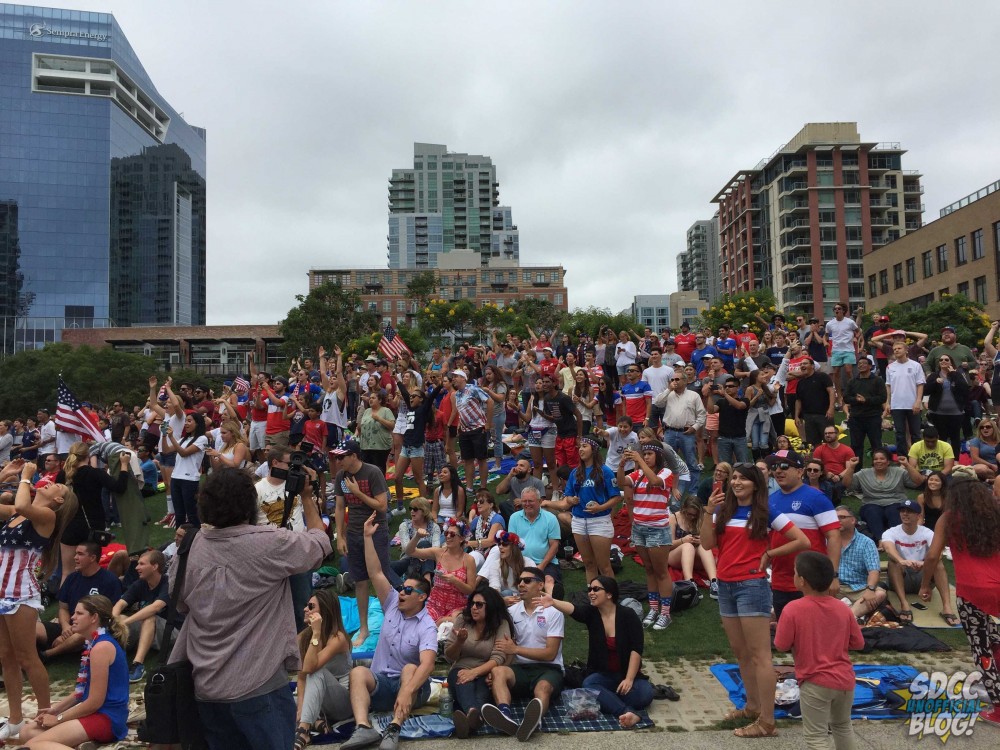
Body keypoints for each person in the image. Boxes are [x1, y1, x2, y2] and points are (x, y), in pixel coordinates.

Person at [168, 467, 331, 750]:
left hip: (206, 685)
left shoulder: (190, 548)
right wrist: (306, 497)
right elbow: (320, 543)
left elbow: (179, 602)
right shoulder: (268, 542)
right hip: (258, 684)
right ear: (248, 504)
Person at [700, 464, 808, 738]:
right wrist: (708, 511)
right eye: (733, 478)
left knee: (761, 656)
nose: (736, 482)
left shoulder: (765, 511)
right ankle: (752, 706)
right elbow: (706, 544)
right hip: (725, 585)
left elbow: (801, 540)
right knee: (741, 653)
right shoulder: (723, 511)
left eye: (742, 479)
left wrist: (770, 553)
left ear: (756, 484)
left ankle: (767, 722)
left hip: (751, 586)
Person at [340, 513, 437, 750]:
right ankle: (364, 728)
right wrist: (367, 537)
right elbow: (376, 573)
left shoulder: (427, 625)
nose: (401, 592)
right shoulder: (392, 602)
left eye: (408, 591)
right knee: (358, 673)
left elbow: (428, 665)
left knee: (410, 668)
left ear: (422, 598)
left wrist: (408, 691)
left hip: (413, 689)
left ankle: (394, 729)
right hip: (383, 685)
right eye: (402, 588)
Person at [0, 459, 77, 742]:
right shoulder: (18, 513)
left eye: (58, 485)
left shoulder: (47, 517)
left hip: (20, 593)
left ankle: (46, 715)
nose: (52, 481)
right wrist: (4, 476)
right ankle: (16, 719)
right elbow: (16, 507)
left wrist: (26, 477)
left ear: (57, 499)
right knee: (6, 658)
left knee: (26, 656)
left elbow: (21, 505)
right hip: (2, 591)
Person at [918, 479, 1000, 727]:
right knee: (995, 640)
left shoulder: (949, 518)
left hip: (972, 590)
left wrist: (924, 585)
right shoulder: (995, 514)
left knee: (981, 647)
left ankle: (998, 706)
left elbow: (933, 555)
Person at [774, 552, 864, 750]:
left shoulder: (792, 609)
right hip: (845, 681)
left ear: (802, 581)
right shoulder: (842, 608)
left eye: (795, 573)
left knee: (816, 737)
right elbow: (858, 643)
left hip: (815, 682)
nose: (794, 576)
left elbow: (781, 644)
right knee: (842, 726)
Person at [535, 576, 652, 728]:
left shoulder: (628, 615)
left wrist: (629, 679)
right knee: (589, 683)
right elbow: (573, 609)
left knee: (644, 696)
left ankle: (609, 699)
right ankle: (626, 712)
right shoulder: (592, 614)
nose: (590, 592)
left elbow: (636, 650)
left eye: (596, 589)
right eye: (589, 589)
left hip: (627, 673)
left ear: (609, 594)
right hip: (604, 675)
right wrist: (553, 602)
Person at [17, 595, 130, 748]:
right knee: (27, 732)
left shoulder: (101, 647)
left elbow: (94, 703)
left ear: (94, 618)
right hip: (96, 713)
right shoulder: (94, 643)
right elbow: (82, 690)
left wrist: (58, 719)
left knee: (32, 746)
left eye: (79, 613)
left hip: (106, 718)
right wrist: (56, 710)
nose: (72, 617)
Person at [480, 567, 564, 742]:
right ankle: (505, 716)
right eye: (519, 581)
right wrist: (497, 670)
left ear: (540, 585)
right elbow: (506, 646)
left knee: (542, 688)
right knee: (498, 672)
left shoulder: (554, 613)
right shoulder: (511, 612)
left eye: (527, 581)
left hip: (549, 668)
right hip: (520, 668)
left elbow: (550, 653)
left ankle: (535, 721)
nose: (521, 584)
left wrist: (516, 650)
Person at [332, 438, 399, 649]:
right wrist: (340, 536)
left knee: (381, 578)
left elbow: (382, 506)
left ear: (354, 456)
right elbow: (340, 507)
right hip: (353, 533)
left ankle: (392, 625)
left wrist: (358, 492)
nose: (338, 460)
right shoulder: (341, 476)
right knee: (359, 580)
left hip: (376, 532)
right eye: (337, 457)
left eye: (342, 457)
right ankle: (363, 628)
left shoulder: (372, 473)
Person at [766, 451, 841, 620]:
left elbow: (834, 537)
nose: (778, 470)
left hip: (812, 580)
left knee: (814, 634)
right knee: (787, 633)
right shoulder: (770, 500)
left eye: (785, 466)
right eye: (774, 466)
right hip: (781, 580)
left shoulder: (817, 498)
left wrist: (833, 575)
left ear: (800, 471)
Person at [443, 587, 515, 738]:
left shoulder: (500, 624)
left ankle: (470, 724)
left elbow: (498, 658)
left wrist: (474, 672)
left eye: (479, 604)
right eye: (472, 604)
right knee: (463, 681)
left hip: (486, 671)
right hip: (460, 668)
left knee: (480, 692)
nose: (474, 608)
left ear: (491, 606)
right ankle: (474, 715)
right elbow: (449, 656)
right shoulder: (463, 620)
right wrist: (459, 642)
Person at [617, 443, 674, 630]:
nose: (646, 457)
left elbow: (656, 482)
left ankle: (665, 613)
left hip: (657, 528)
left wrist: (640, 460)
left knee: (661, 571)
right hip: (639, 528)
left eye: (649, 454)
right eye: (644, 454)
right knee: (649, 570)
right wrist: (621, 464)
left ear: (658, 455)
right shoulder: (638, 475)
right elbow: (621, 482)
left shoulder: (666, 472)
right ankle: (653, 608)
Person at [256, 447, 314, 631]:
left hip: (298, 552)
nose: (293, 468)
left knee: (303, 603)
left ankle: (306, 641)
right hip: (270, 556)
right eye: (290, 463)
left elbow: (310, 513)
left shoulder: (298, 485)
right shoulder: (257, 490)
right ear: (275, 463)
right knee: (273, 605)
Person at [37, 541, 122, 660]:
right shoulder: (72, 578)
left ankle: (47, 654)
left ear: (92, 558)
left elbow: (108, 615)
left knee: (81, 636)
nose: (75, 557)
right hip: (69, 626)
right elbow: (63, 608)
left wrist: (74, 630)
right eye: (76, 553)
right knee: (34, 629)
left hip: (90, 629)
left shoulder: (109, 581)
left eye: (80, 554)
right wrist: (66, 627)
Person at [60, 442, 130, 585]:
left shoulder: (63, 475)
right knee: (90, 570)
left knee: (67, 572)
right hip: (93, 526)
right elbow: (119, 487)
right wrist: (124, 465)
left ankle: (64, 606)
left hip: (69, 525)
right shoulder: (95, 473)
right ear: (88, 455)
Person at [882, 499, 957, 626]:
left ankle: (947, 607)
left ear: (918, 516)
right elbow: (889, 549)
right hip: (902, 576)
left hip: (923, 576)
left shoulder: (927, 532)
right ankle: (904, 604)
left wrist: (925, 564)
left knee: (938, 564)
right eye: (902, 511)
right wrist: (902, 561)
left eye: (909, 512)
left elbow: (937, 552)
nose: (905, 514)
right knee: (893, 563)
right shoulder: (891, 532)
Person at [294, 589, 352, 750]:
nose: (306, 609)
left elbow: (310, 668)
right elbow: (301, 677)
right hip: (319, 701)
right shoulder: (304, 637)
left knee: (316, 672)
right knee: (282, 700)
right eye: (307, 605)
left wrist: (317, 632)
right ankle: (316, 721)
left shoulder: (338, 638)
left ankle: (304, 730)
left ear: (324, 611)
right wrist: (300, 709)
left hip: (342, 703)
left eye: (311, 606)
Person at [563, 436, 621, 582]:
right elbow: (567, 496)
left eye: (584, 446)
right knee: (588, 564)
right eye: (579, 447)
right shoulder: (575, 473)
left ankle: (611, 597)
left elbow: (616, 497)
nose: (580, 450)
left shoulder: (605, 471)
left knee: (604, 566)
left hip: (599, 521)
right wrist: (571, 499)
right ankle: (593, 596)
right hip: (578, 521)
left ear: (593, 449)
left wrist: (600, 507)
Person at [111, 548, 170, 682]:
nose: (137, 567)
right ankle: (113, 661)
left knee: (149, 617)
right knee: (119, 618)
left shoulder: (168, 583)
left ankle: (137, 664)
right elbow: (120, 604)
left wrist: (125, 622)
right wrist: (114, 620)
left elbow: (155, 607)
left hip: (172, 632)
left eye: (142, 564)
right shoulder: (140, 584)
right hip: (148, 631)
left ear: (155, 566)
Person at [840, 449, 923, 543]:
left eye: (882, 459)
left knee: (894, 511)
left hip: (895, 502)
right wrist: (851, 467)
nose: (878, 461)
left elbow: (919, 481)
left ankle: (898, 539)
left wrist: (907, 465)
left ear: (888, 462)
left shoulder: (898, 471)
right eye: (875, 459)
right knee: (872, 512)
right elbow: (846, 484)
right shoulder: (864, 473)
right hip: (871, 503)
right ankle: (881, 540)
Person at [402, 518, 477, 623]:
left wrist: (455, 581)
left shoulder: (469, 560)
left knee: (450, 626)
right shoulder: (438, 553)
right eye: (446, 533)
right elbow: (410, 551)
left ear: (461, 538)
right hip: (435, 604)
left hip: (457, 607)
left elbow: (470, 590)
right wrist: (417, 536)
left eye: (452, 534)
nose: (448, 537)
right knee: (422, 626)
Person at [653, 372, 707, 495]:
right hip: (670, 432)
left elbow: (702, 414)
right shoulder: (669, 394)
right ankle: (667, 489)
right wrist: (668, 389)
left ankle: (693, 492)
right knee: (666, 462)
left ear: (685, 381)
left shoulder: (694, 395)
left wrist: (695, 427)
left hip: (687, 433)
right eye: (672, 379)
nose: (674, 381)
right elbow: (657, 403)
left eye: (677, 379)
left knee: (692, 463)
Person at [835, 506, 887, 621]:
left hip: (858, 588)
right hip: (835, 586)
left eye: (842, 517)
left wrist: (870, 589)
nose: (837, 520)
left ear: (853, 520)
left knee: (880, 594)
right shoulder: (828, 540)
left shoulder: (866, 542)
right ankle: (854, 615)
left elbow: (873, 571)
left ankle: (847, 617)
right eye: (835, 517)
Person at [507, 488, 561, 595]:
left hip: (545, 563)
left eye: (531, 501)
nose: (527, 504)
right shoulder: (514, 518)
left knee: (549, 582)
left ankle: (550, 606)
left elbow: (554, 546)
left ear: (540, 501)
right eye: (524, 501)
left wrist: (541, 566)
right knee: (519, 586)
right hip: (520, 562)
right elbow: (512, 544)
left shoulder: (551, 518)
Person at [163, 410, 209, 527]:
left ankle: (197, 537)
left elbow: (183, 453)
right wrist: (164, 435)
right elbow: (166, 450)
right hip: (176, 478)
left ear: (197, 423)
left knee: (192, 513)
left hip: (189, 480)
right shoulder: (183, 440)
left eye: (189, 421)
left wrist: (171, 437)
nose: (186, 424)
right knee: (179, 514)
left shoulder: (202, 439)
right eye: (185, 421)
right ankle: (180, 540)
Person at [452, 369, 494, 492]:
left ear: (463, 378)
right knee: (467, 459)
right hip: (464, 431)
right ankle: (469, 487)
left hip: (478, 428)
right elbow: (462, 411)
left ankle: (483, 487)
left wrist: (488, 423)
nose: (453, 379)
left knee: (481, 458)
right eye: (453, 377)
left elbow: (490, 401)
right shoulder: (457, 394)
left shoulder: (473, 389)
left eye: (456, 376)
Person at [668, 496, 719, 597]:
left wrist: (702, 540)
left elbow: (712, 541)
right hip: (674, 555)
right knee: (688, 546)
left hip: (694, 556)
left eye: (694, 515)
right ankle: (690, 583)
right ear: (683, 509)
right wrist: (683, 540)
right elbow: (668, 545)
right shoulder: (673, 518)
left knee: (703, 547)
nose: (692, 517)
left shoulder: (701, 519)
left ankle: (714, 582)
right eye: (689, 514)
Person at [925, 353, 970, 459]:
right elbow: (925, 391)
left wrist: (954, 374)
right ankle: (942, 459)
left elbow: (965, 390)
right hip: (938, 413)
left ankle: (956, 460)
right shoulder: (934, 375)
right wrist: (934, 383)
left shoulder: (958, 374)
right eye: (941, 360)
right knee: (941, 437)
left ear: (951, 362)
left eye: (946, 359)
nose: (943, 361)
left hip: (956, 413)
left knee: (955, 437)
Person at [842, 356, 886, 465]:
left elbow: (882, 398)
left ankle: (878, 467)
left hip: (873, 417)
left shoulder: (877, 381)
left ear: (870, 366)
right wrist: (856, 400)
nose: (861, 365)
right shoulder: (852, 381)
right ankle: (856, 471)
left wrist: (866, 400)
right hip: (856, 418)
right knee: (856, 446)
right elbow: (846, 398)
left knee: (876, 445)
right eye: (859, 364)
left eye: (864, 363)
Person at [884, 341, 925, 456]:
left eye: (899, 348)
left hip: (913, 404)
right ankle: (902, 457)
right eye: (894, 348)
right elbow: (888, 386)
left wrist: (918, 401)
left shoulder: (915, 365)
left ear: (906, 350)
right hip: (897, 405)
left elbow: (920, 384)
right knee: (900, 433)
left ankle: (917, 457)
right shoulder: (890, 367)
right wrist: (888, 402)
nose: (896, 350)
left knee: (916, 433)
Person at [478, 531, 536, 601]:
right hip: (504, 599)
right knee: (504, 593)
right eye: (499, 544)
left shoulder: (528, 563)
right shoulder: (495, 565)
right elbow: (494, 590)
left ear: (514, 548)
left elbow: (533, 588)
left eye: (505, 544)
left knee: (507, 592)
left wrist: (519, 600)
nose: (500, 547)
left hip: (525, 598)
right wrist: (503, 601)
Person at [392, 498, 441, 580]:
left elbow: (436, 549)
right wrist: (420, 554)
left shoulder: (434, 527)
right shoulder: (404, 526)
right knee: (385, 566)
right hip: (408, 559)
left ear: (424, 511)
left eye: (415, 509)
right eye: (410, 509)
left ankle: (427, 580)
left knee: (424, 544)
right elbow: (405, 549)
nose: (412, 511)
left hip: (428, 559)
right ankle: (427, 581)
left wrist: (423, 553)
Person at [705, 376, 749, 464]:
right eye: (726, 386)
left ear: (738, 388)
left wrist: (725, 394)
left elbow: (739, 406)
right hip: (723, 438)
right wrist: (710, 396)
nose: (727, 388)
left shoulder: (744, 400)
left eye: (731, 386)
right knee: (725, 465)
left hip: (739, 438)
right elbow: (711, 411)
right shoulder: (721, 402)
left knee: (743, 464)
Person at [793, 358, 835, 447]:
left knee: (830, 440)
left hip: (824, 415)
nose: (802, 366)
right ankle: (817, 460)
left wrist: (831, 408)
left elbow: (831, 391)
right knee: (814, 443)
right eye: (801, 364)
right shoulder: (800, 382)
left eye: (805, 363)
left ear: (812, 366)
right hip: (808, 416)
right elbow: (798, 400)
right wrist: (796, 416)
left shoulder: (822, 376)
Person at [358, 389, 394, 476]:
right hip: (365, 446)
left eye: (373, 398)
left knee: (378, 471)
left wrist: (379, 419)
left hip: (380, 447)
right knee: (365, 471)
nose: (370, 399)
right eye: (370, 398)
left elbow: (392, 426)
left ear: (380, 400)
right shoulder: (367, 411)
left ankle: (380, 488)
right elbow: (361, 426)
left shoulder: (386, 411)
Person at [466, 490, 505, 567]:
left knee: (494, 551)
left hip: (495, 554)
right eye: (477, 501)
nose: (478, 503)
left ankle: (479, 578)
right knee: (473, 556)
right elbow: (467, 536)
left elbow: (490, 541)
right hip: (479, 552)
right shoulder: (476, 520)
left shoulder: (497, 518)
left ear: (490, 505)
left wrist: (467, 544)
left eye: (481, 501)